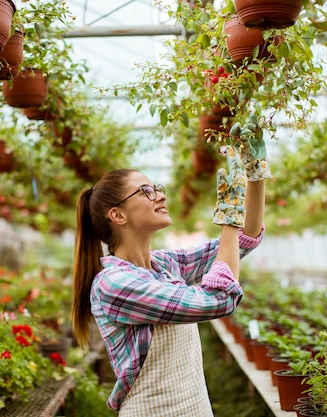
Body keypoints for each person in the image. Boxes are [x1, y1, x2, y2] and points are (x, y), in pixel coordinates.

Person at [71, 117, 269, 416]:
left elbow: (242, 240)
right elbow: (219, 300)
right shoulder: (114, 284)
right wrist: (229, 215)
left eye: (157, 187)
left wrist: (255, 177)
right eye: (146, 191)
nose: (161, 195)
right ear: (118, 215)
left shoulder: (164, 265)